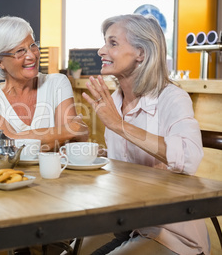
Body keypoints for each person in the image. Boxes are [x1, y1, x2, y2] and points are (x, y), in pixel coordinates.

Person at [81, 14, 209, 254]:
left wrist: (120, 126)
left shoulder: (172, 97)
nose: (101, 50)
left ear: (141, 53)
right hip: (125, 223)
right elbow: (126, 165)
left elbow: (190, 158)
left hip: (171, 231)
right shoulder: (115, 100)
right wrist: (96, 156)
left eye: (113, 43)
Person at [0, 16, 88, 150]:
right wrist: (70, 129)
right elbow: (3, 148)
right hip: (14, 172)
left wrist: (17, 138)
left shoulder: (57, 83)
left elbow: (71, 146)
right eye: (20, 51)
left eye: (32, 46)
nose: (32, 56)